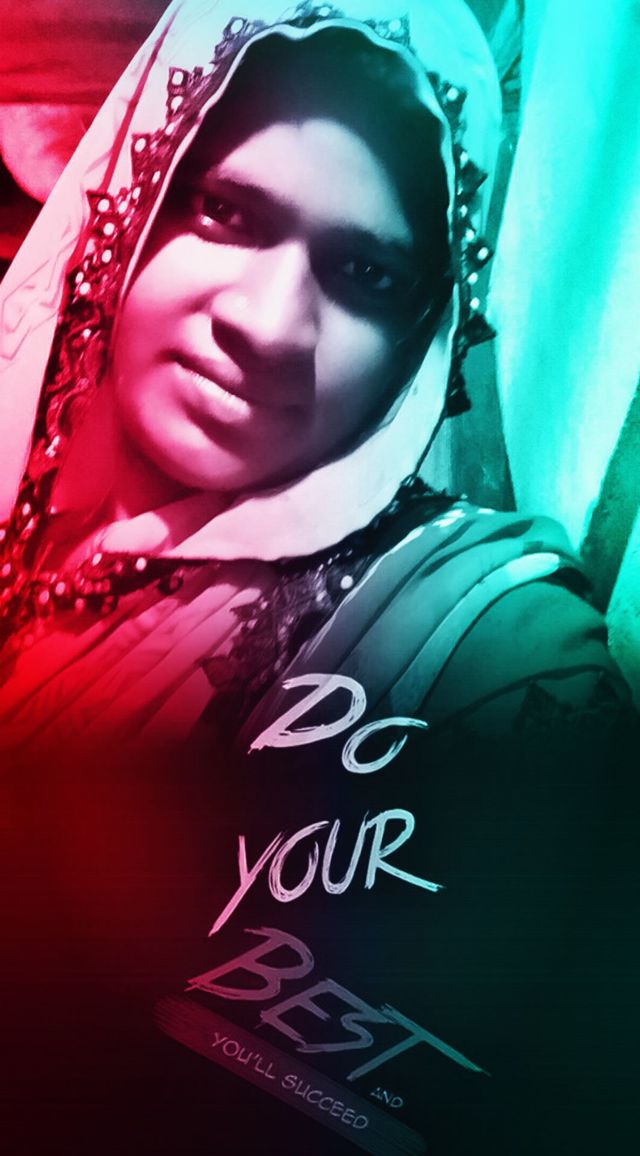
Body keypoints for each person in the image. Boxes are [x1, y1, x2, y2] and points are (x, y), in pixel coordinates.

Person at [1, 3, 637, 1155]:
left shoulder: (479, 655)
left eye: (365, 274)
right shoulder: (24, 485)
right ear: (132, 200)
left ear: (426, 329)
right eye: (228, 213)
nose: (268, 324)